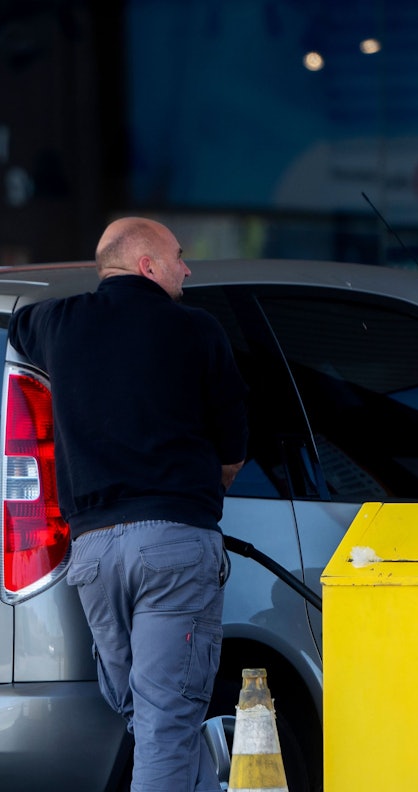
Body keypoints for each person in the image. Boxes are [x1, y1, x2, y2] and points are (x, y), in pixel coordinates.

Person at [8, 217, 248, 791]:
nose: (187, 268)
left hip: (93, 556)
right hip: (172, 547)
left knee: (154, 721)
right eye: (179, 256)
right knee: (166, 722)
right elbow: (232, 454)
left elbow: (18, 322)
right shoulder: (197, 330)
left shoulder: (58, 323)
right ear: (148, 266)